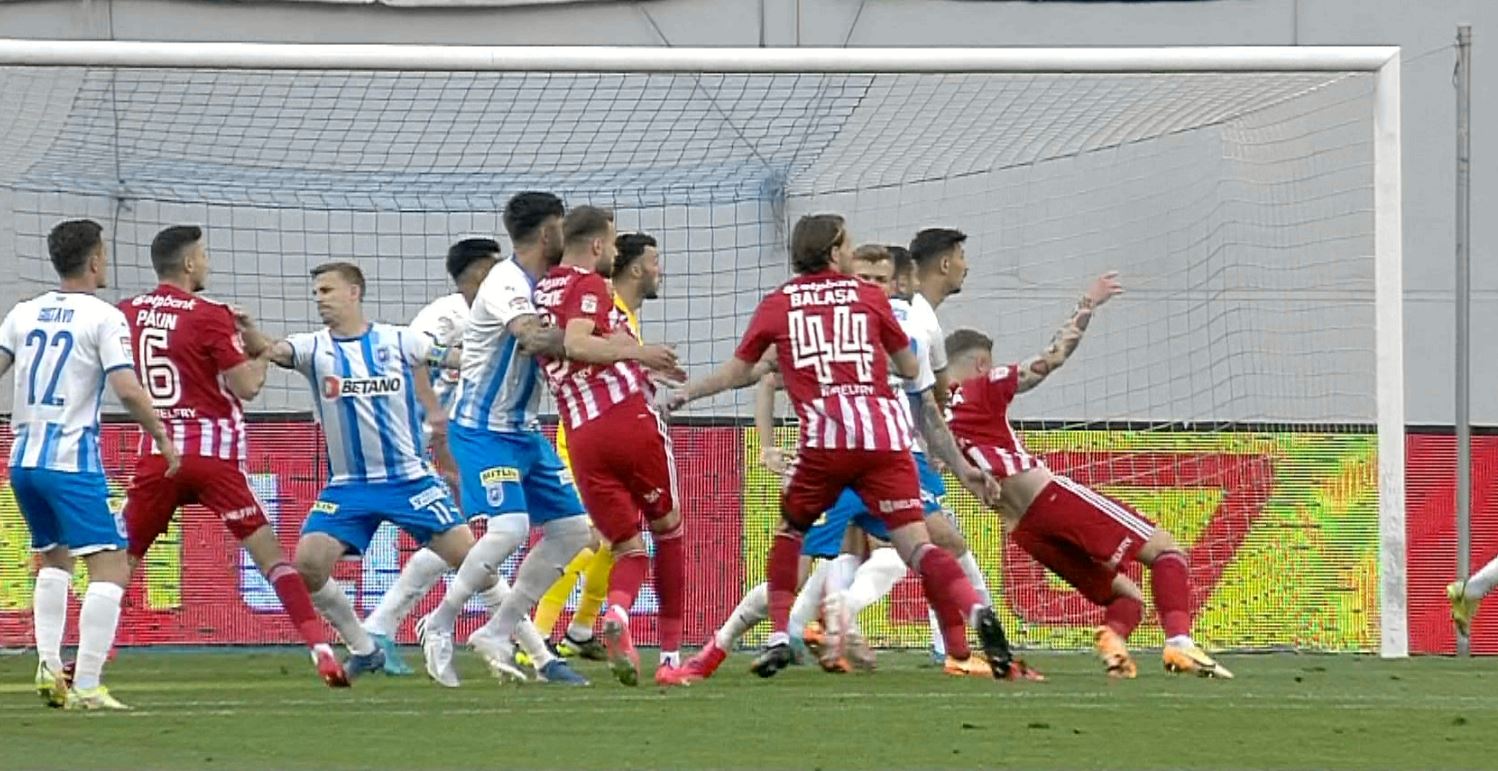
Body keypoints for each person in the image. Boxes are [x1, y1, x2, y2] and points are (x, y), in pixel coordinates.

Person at [666, 213, 1014, 680]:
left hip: (828, 444)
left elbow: (745, 370)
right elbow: (912, 375)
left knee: (793, 538)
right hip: (887, 441)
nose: (861, 267)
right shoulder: (874, 304)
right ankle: (969, 617)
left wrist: (689, 393)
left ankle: (780, 636)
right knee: (915, 546)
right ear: (834, 254)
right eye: (851, 251)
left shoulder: (781, 303)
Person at [942, 272, 1232, 678]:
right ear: (981, 363)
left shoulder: (934, 415)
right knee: (1167, 552)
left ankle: (1114, 644)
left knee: (1127, 600)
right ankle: (1180, 643)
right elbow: (1051, 358)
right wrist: (1087, 304)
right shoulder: (982, 386)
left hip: (1024, 530)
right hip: (1049, 499)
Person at [120, 225, 345, 687]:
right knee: (272, 559)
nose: (206, 263)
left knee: (120, 562)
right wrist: (257, 352)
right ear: (188, 264)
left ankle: (79, 663)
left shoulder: (127, 312)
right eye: (202, 256)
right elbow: (247, 387)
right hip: (212, 458)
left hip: (157, 453)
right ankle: (320, 648)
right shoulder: (210, 314)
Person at [258, 262, 478, 681]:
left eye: (328, 290)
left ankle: (531, 647)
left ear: (354, 292)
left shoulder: (399, 340)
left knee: (474, 563)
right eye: (317, 293)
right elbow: (276, 350)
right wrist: (251, 335)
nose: (320, 299)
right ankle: (364, 646)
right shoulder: (313, 348)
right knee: (308, 565)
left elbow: (451, 357)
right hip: (350, 486)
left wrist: (489, 361)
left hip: (409, 479)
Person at [416, 192, 595, 688]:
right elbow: (533, 337)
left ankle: (496, 632)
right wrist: (608, 346)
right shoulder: (506, 281)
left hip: (523, 430)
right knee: (510, 528)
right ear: (547, 234)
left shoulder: (555, 282)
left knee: (573, 530)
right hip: (480, 426)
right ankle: (440, 621)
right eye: (562, 228)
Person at [2, 219, 181, 709]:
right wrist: (162, 436)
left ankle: (46, 662)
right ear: (96, 259)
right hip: (70, 461)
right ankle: (86, 685)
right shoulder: (104, 317)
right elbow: (126, 388)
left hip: (24, 461)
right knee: (110, 566)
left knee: (53, 558)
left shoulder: (23, 313)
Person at [531, 206, 689, 687]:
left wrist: (636, 360)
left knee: (625, 546)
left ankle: (612, 615)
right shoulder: (591, 286)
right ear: (598, 245)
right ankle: (668, 656)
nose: (617, 252)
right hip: (623, 421)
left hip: (579, 436)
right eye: (614, 243)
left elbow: (562, 344)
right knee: (670, 532)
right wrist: (639, 352)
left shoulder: (541, 290)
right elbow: (579, 343)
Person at [361, 238, 501, 675]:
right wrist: (435, 420)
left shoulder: (492, 313)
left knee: (459, 536)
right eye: (494, 266)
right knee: (464, 534)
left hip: (471, 434)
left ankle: (382, 626)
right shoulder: (445, 315)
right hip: (427, 436)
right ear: (477, 271)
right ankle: (516, 636)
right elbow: (412, 359)